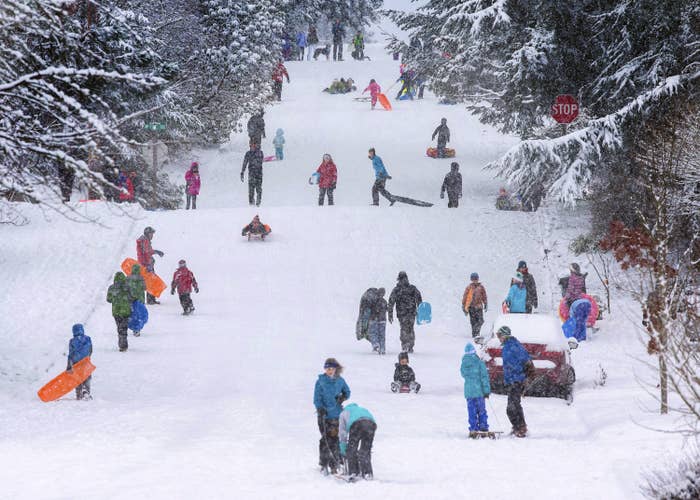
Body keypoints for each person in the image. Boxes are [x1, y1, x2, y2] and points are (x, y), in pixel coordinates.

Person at [314, 358, 351, 475]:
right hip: (324, 416)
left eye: (331, 369)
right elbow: (316, 398)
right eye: (327, 369)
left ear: (335, 369)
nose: (329, 371)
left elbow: (347, 392)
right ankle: (324, 463)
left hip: (337, 415)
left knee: (336, 440)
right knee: (326, 439)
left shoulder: (340, 381)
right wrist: (320, 408)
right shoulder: (320, 381)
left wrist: (343, 397)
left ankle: (335, 464)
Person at [496, 326, 533, 437]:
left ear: (504, 335)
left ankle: (520, 428)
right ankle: (519, 427)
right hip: (512, 380)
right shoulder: (509, 346)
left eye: (499, 336)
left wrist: (524, 376)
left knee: (511, 408)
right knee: (515, 405)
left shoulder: (514, 346)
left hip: (516, 380)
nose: (498, 338)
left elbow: (526, 360)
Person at [339, 402, 376, 480]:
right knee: (365, 450)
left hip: (357, 424)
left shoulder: (343, 413)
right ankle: (367, 473)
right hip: (371, 424)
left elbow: (342, 432)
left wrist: (343, 448)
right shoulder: (361, 409)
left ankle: (354, 472)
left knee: (351, 449)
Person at [460, 343, 490, 437]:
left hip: (469, 392)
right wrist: (486, 391)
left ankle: (473, 428)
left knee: (471, 410)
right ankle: (483, 427)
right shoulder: (479, 363)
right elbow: (484, 377)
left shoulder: (464, 364)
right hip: (479, 392)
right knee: (481, 410)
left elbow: (464, 374)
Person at [388, 271, 423, 352]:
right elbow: (419, 299)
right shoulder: (412, 288)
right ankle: (410, 345)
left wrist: (390, 314)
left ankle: (405, 345)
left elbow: (391, 302)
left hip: (402, 313)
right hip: (412, 313)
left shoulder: (397, 289)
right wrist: (420, 310)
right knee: (410, 328)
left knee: (404, 328)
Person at [107, 272, 134, 352]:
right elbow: (131, 298)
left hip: (116, 311)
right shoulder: (127, 287)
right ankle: (123, 344)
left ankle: (122, 343)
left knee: (119, 327)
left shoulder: (111, 288)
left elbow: (108, 300)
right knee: (124, 327)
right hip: (126, 311)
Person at [136, 226, 164, 304]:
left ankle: (151, 299)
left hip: (146, 264)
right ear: (147, 233)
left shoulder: (144, 240)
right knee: (150, 281)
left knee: (151, 281)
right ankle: (150, 299)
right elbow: (147, 251)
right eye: (151, 234)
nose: (152, 236)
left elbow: (146, 252)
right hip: (146, 265)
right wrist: (157, 252)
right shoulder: (144, 240)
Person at [67, 324, 92, 400]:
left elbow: (70, 354)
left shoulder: (72, 341)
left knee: (77, 378)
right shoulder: (88, 339)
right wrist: (87, 357)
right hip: (85, 361)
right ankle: (86, 391)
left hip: (76, 363)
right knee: (87, 376)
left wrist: (69, 366)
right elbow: (91, 350)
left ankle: (79, 394)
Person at [462, 273, 488, 339]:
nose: (474, 280)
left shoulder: (481, 287)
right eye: (473, 279)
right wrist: (463, 305)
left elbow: (484, 296)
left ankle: (477, 332)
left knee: (480, 320)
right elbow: (465, 296)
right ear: (471, 279)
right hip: (471, 307)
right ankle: (475, 335)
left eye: (476, 279)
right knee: (473, 322)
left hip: (479, 307)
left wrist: (485, 303)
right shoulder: (469, 287)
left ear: (478, 279)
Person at [241, 142, 264, 206]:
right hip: (251, 174)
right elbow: (245, 163)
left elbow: (260, 161)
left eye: (253, 145)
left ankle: (258, 203)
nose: (251, 147)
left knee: (259, 189)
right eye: (250, 145)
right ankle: (251, 203)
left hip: (258, 174)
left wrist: (256, 158)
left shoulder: (260, 153)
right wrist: (242, 172)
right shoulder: (248, 153)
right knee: (251, 190)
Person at [126, 263, 146, 336]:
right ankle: (137, 329)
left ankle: (133, 326)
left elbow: (125, 288)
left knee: (132, 314)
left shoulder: (128, 277)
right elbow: (145, 288)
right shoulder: (141, 278)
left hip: (130, 299)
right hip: (140, 299)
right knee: (139, 314)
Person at [368, 288, 387, 355]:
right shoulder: (384, 301)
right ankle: (382, 349)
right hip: (383, 320)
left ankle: (376, 344)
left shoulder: (372, 300)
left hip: (373, 319)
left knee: (373, 333)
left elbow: (368, 309)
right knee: (382, 335)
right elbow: (386, 309)